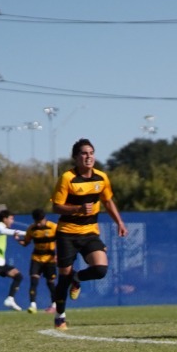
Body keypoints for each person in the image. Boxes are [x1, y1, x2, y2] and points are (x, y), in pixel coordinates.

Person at [50, 138, 128, 331]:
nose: (88, 157)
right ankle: (60, 316)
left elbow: (108, 202)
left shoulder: (101, 178)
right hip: (67, 234)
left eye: (91, 153)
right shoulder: (67, 178)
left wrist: (119, 221)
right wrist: (77, 208)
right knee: (63, 278)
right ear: (76, 158)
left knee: (100, 270)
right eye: (84, 153)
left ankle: (77, 278)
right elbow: (56, 207)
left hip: (90, 232)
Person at [23, 210, 57, 313]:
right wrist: (18, 240)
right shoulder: (32, 229)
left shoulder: (53, 227)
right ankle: (33, 305)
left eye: (40, 221)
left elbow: (61, 241)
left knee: (50, 283)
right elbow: (26, 242)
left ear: (45, 218)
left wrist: (58, 255)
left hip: (50, 259)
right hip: (36, 258)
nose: (38, 223)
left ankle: (54, 305)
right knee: (34, 281)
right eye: (36, 221)